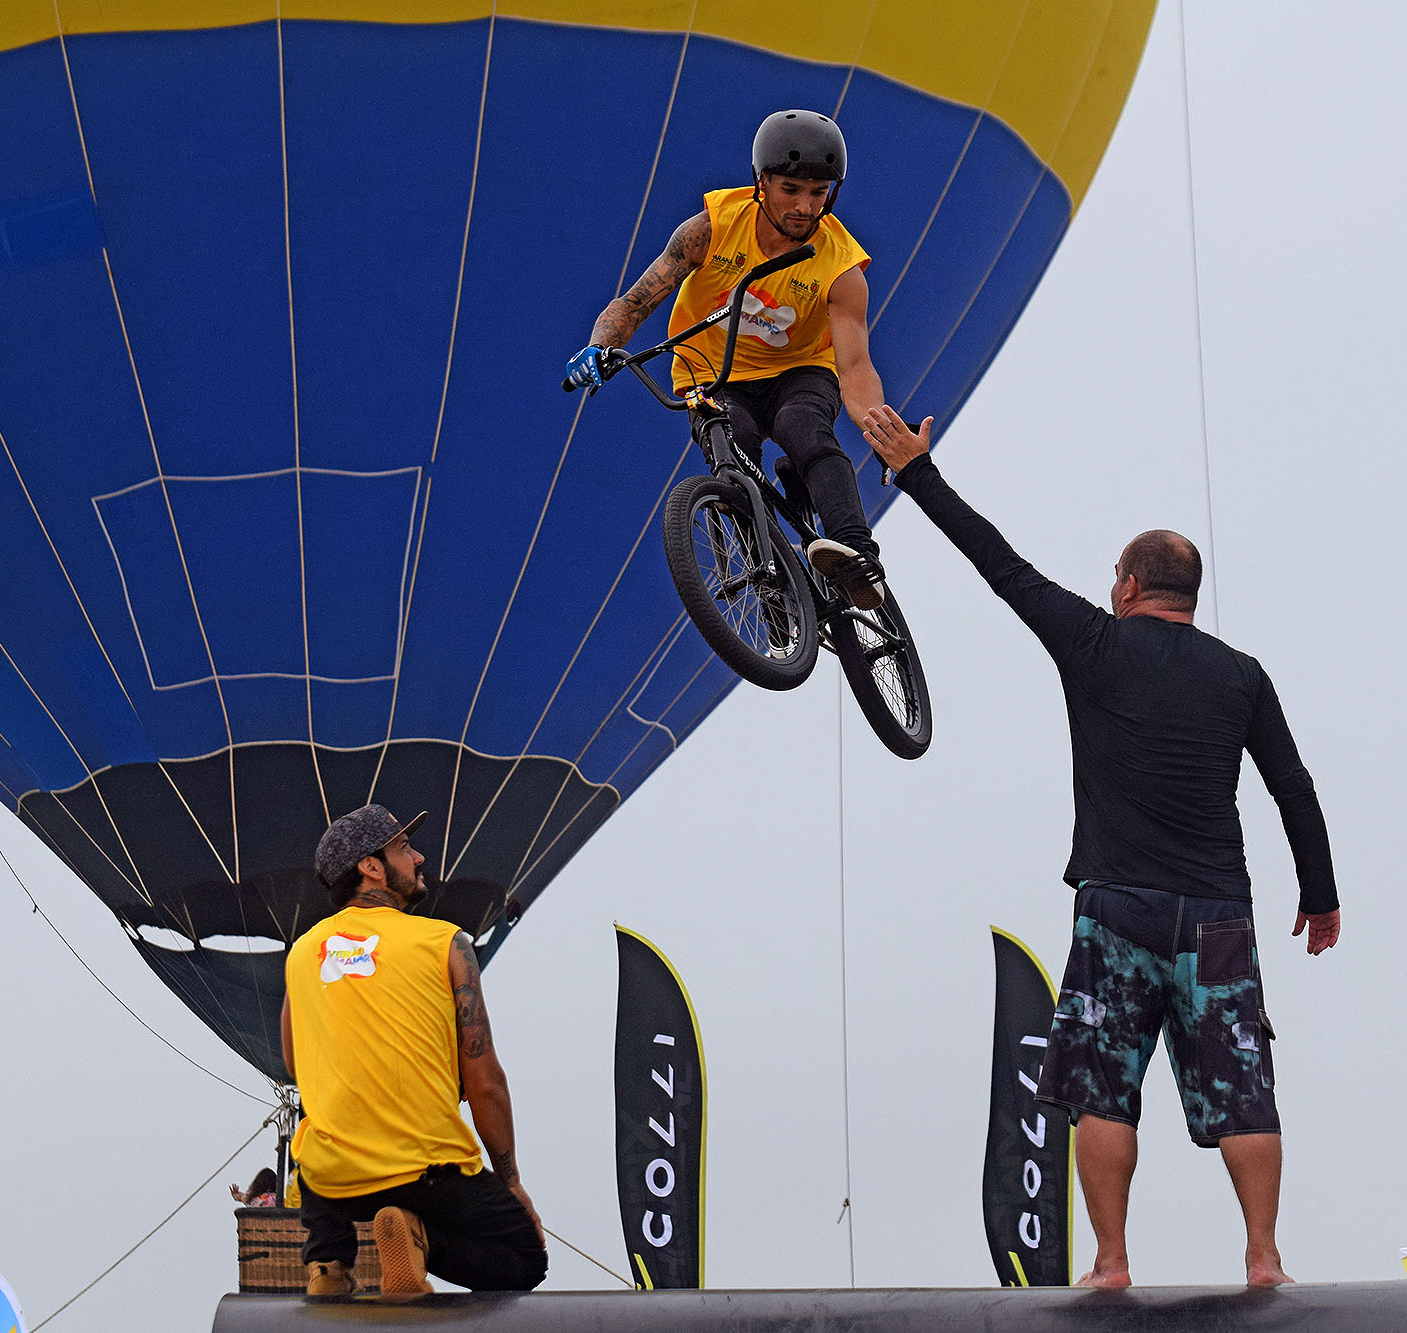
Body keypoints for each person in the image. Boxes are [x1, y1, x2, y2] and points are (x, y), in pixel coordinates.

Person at [863, 408, 1342, 1289]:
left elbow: (1000, 566)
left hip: (1119, 908)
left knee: (1102, 1089)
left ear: (1127, 584)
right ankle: (1264, 1256)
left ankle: (1112, 1259)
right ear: (1187, 596)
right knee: (1242, 1085)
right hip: (1216, 917)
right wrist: (1321, 893)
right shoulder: (1241, 674)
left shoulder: (1094, 640)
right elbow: (1293, 785)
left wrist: (917, 473)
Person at [565, 109, 898, 611]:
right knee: (730, 443)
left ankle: (856, 554)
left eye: (819, 192)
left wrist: (880, 429)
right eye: (792, 189)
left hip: (799, 372)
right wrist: (599, 345)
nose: (806, 206)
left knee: (802, 425)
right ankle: (771, 580)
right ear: (761, 182)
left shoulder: (841, 266)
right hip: (711, 373)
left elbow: (854, 368)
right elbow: (636, 301)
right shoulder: (710, 229)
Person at [279, 805, 547, 1296]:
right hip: (425, 1172)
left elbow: (298, 1067)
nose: (419, 857)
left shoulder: (302, 952)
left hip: (335, 1180)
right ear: (371, 867)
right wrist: (511, 1182)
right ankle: (417, 1237)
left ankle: (328, 1265)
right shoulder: (446, 943)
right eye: (405, 849)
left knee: (316, 1131)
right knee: (524, 1257)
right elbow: (486, 1084)